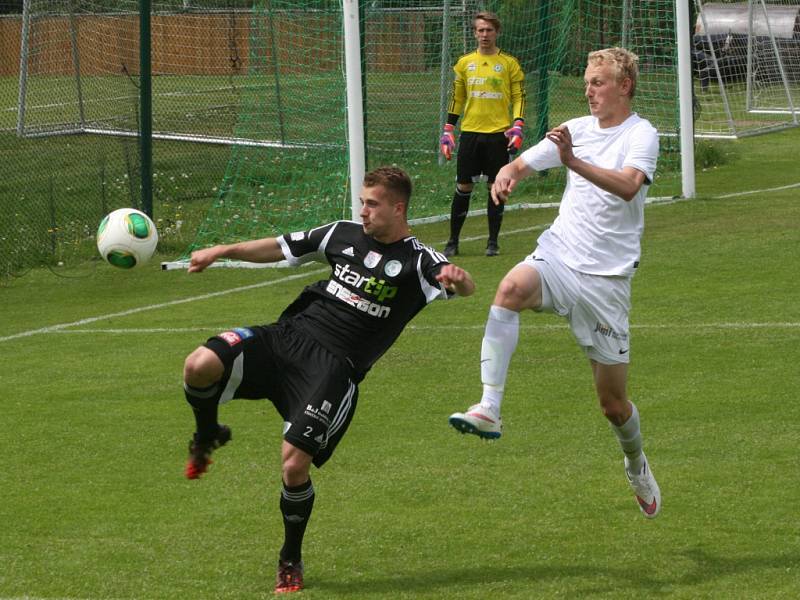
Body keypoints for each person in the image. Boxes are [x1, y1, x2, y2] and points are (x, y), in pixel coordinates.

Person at [181, 166, 475, 593]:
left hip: (332, 370)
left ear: (398, 207)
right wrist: (222, 250)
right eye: (362, 203)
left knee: (293, 465)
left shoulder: (419, 260)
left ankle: (290, 557)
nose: (364, 212)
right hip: (287, 338)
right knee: (199, 364)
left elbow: (457, 285)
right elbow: (281, 247)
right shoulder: (341, 234)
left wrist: (460, 281)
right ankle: (208, 433)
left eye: (372, 204)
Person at [448, 48, 662, 519]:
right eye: (587, 81)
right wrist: (506, 173)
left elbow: (629, 186)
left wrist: (573, 162)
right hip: (560, 255)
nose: (589, 91)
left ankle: (636, 464)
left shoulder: (641, 134)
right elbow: (524, 163)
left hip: (606, 281)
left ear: (624, 86)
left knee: (612, 404)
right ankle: (489, 407)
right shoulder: (575, 130)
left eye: (599, 82)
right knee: (509, 290)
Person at [439, 10, 525, 258]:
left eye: (489, 30)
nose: (484, 34)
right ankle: (453, 241)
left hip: (498, 134)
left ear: (497, 32)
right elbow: (458, 98)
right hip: (470, 134)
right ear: (475, 33)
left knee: (494, 187)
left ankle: (492, 242)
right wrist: (448, 129)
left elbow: (520, 97)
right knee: (463, 186)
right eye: (480, 30)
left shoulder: (509, 63)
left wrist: (518, 125)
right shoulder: (465, 63)